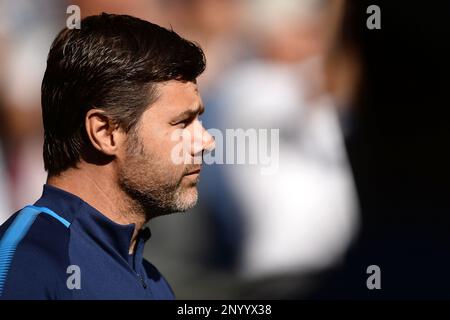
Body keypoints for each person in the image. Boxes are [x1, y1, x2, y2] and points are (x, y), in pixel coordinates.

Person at [0, 13, 214, 300]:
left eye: (198, 119)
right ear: (105, 132)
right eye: (182, 123)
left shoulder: (155, 282)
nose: (207, 141)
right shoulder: (24, 265)